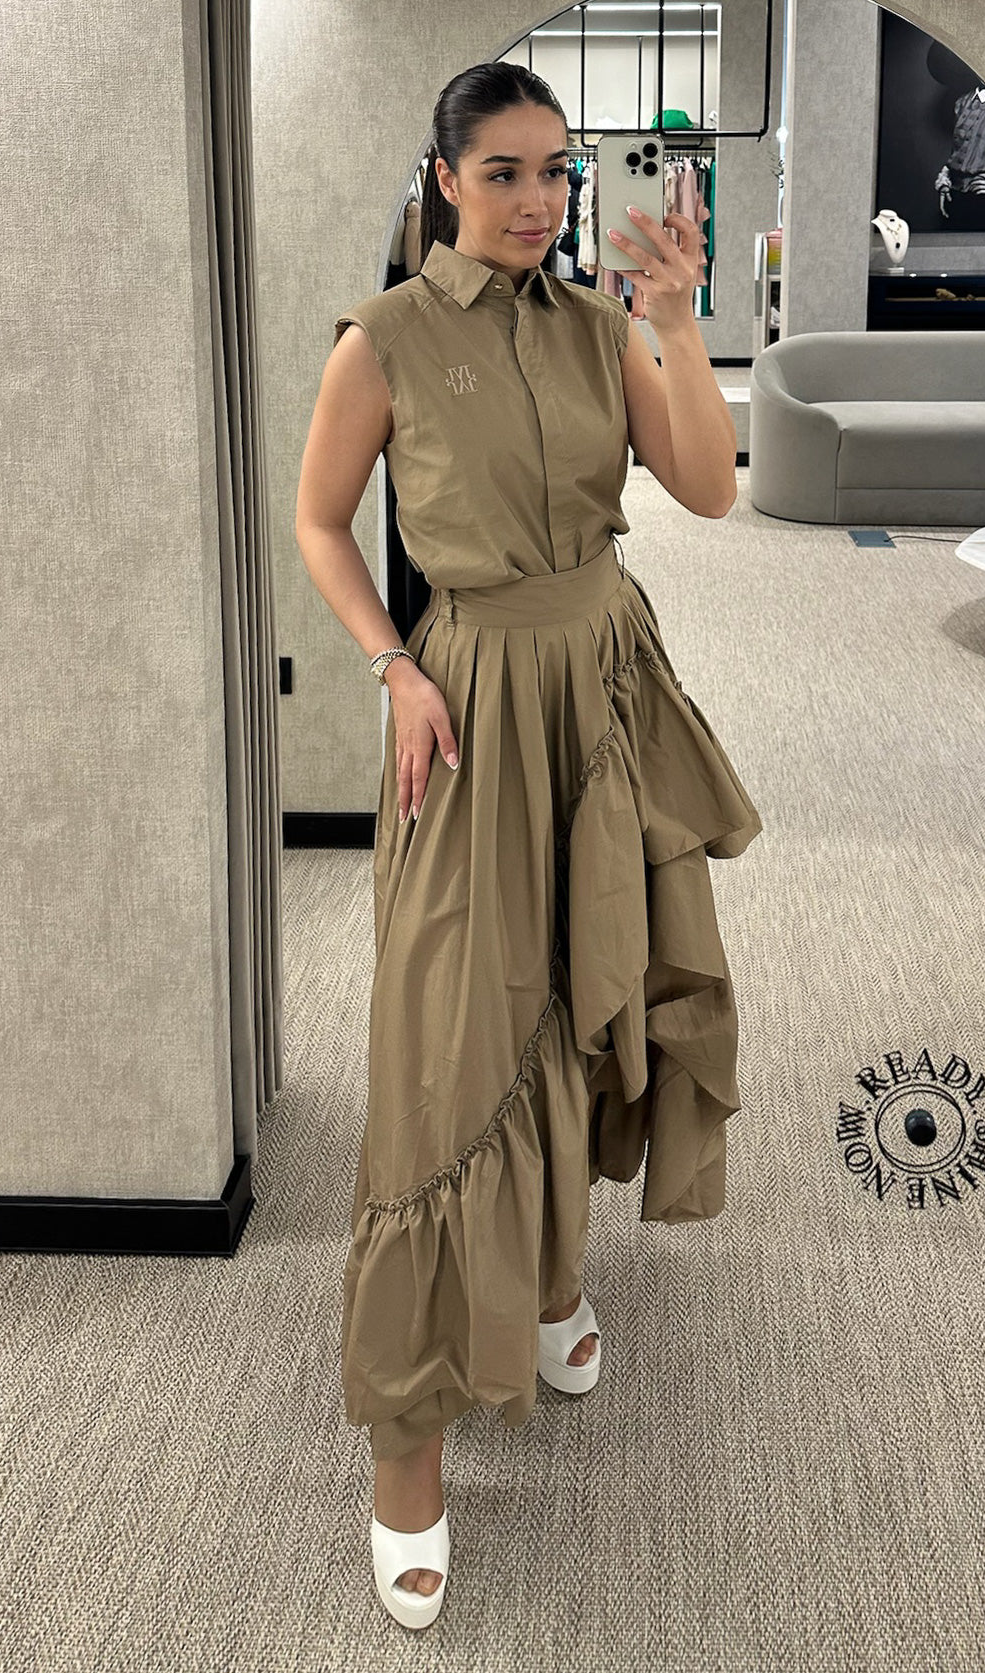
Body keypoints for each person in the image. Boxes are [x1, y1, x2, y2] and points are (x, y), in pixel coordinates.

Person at [294, 61, 763, 1630]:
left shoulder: (594, 327)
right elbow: (320, 521)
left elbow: (709, 487)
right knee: (447, 1047)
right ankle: (407, 1456)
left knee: (583, 991)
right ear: (443, 178)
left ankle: (552, 1274)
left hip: (607, 685)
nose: (536, 200)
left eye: (555, 171)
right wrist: (393, 662)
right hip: (476, 702)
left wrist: (676, 321)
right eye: (501, 171)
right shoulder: (382, 339)